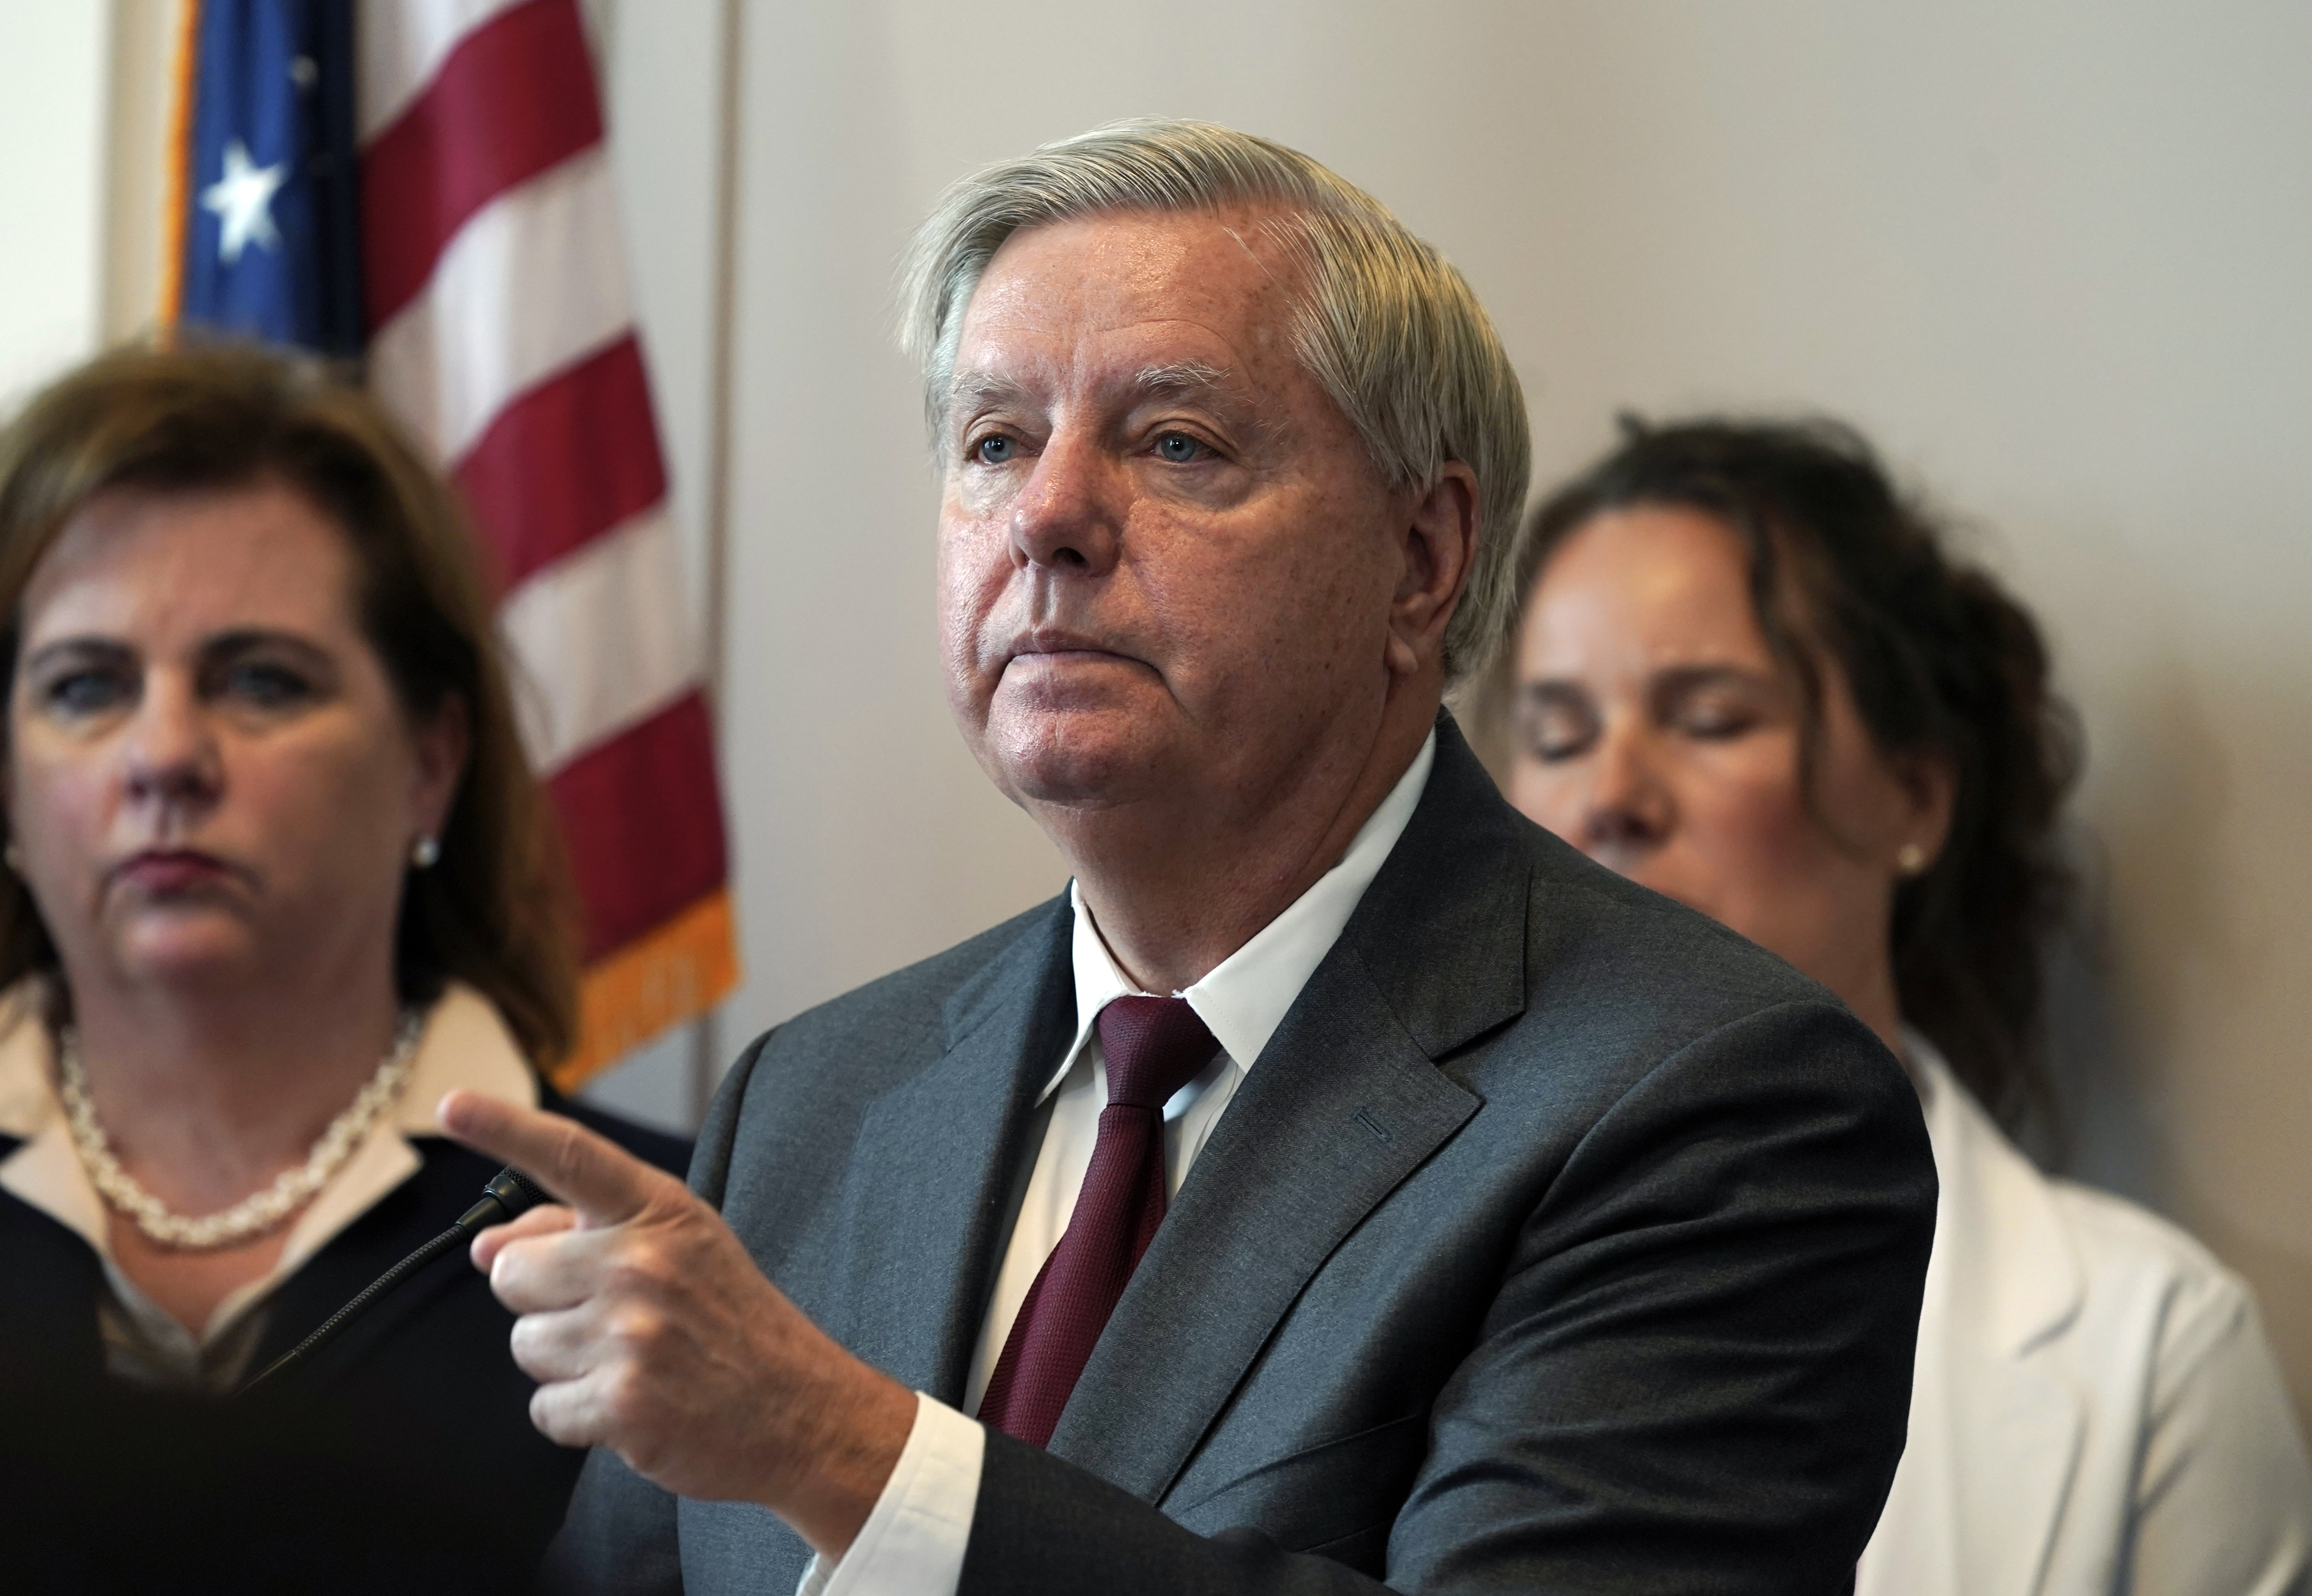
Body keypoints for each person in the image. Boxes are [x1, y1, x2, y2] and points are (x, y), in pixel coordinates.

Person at [443, 119, 1936, 1595]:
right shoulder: (814, 1099)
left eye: (1175, 442)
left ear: (1423, 559)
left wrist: (849, 1455)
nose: (1049, 516)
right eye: (995, 441)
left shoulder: (1719, 1103)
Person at [1499, 415, 2312, 1596]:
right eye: (1556, 732)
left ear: (1915, 796)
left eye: (1711, 717)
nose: (1608, 795)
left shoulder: (2156, 1352)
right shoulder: (1361, 1247)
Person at [0, 343, 689, 1577]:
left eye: (261, 681)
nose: (165, 754)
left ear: (432, 761)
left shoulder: (664, 1244)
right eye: (86, 687)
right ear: (1, 779)